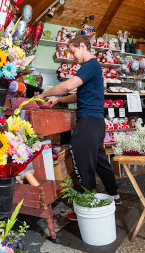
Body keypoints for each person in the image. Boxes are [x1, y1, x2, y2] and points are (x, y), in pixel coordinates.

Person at [38, 35, 120, 221]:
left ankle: (89, 206)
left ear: (82, 46)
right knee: (99, 160)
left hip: (88, 122)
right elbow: (77, 95)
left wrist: (44, 93)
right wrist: (58, 99)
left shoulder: (89, 65)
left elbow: (68, 85)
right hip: (96, 122)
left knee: (84, 163)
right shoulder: (92, 68)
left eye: (73, 51)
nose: (72, 56)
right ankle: (114, 195)